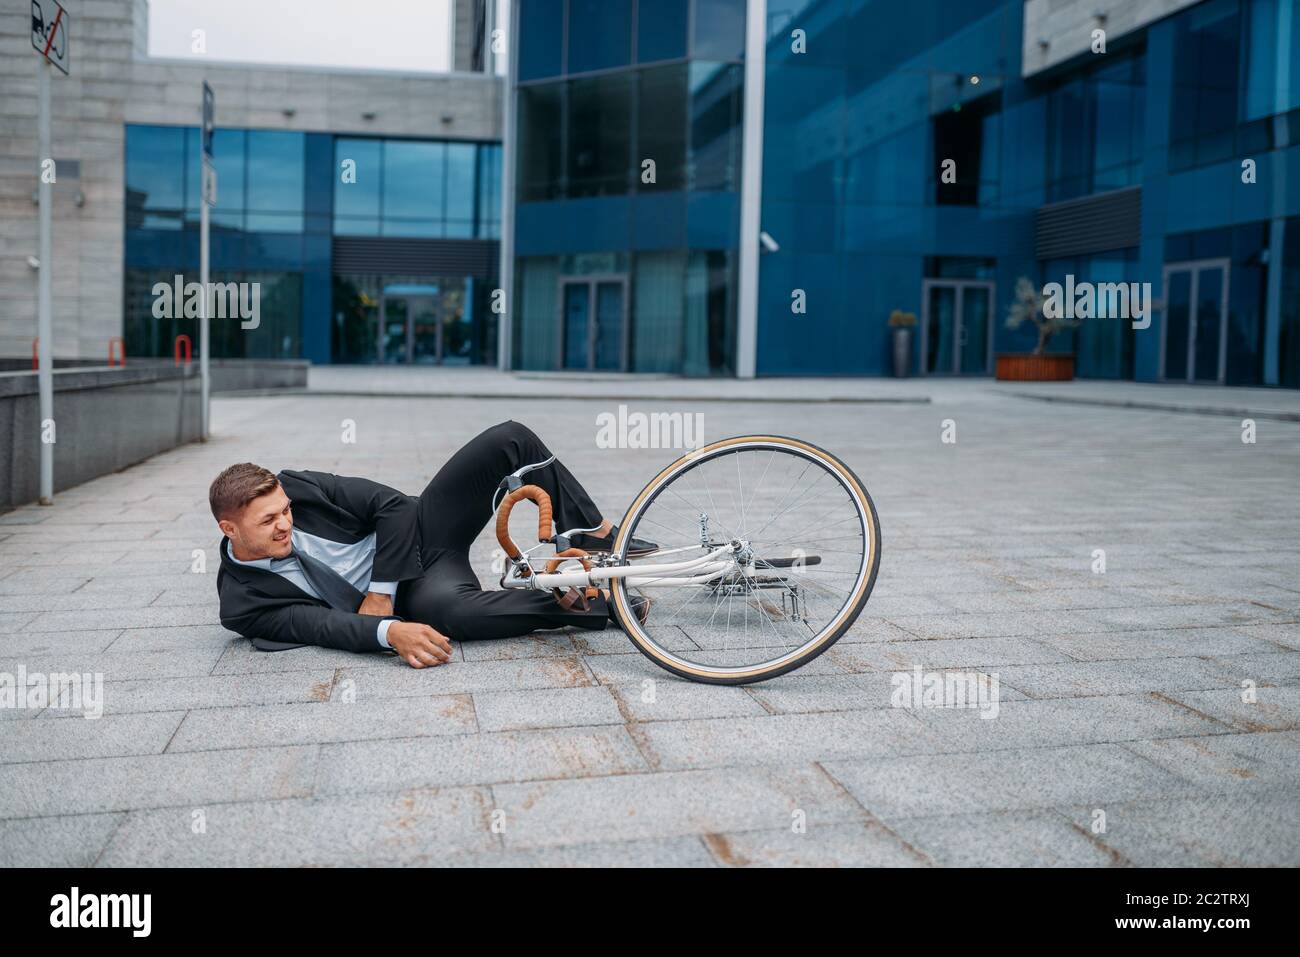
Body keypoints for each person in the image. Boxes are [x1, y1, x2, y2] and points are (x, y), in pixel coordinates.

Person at [210, 420, 653, 668]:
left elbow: (393, 507)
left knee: (508, 438)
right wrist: (391, 631)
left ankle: (594, 532)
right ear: (230, 529)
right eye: (268, 521)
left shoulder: (299, 486)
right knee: (452, 615)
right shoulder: (242, 603)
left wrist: (379, 593)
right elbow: (319, 627)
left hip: (423, 529)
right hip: (419, 590)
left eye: (284, 510)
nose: (285, 523)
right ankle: (603, 606)